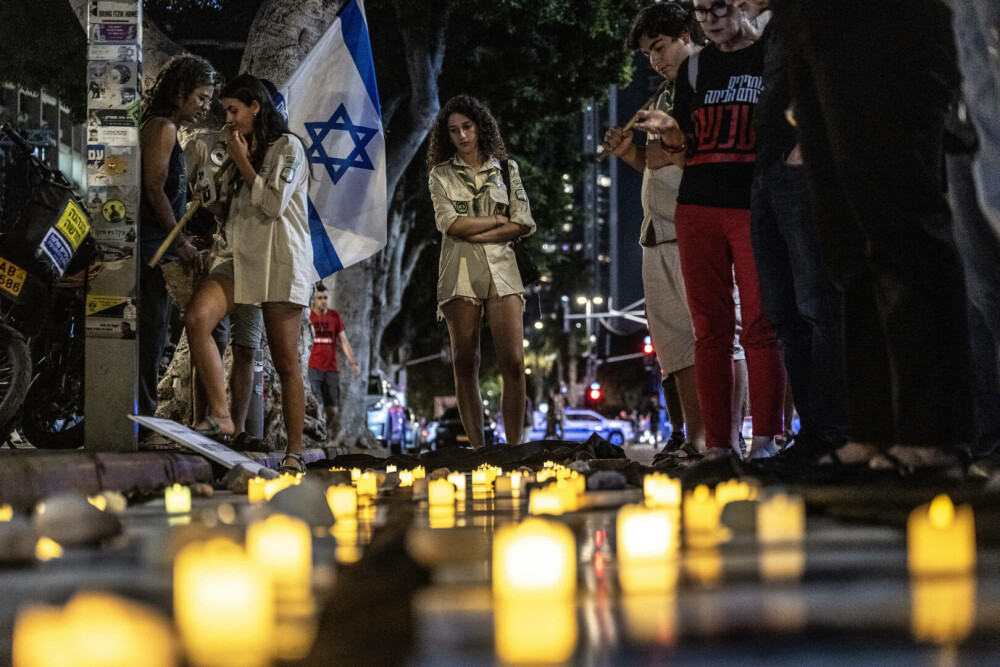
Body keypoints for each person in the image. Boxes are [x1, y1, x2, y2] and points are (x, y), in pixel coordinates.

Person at [773, 0, 974, 463]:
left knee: (898, 222)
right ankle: (874, 426)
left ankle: (930, 431)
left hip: (880, 19)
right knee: (845, 242)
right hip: (809, 26)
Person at [635, 0, 786, 459]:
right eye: (702, 13)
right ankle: (718, 446)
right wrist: (669, 132)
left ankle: (765, 440)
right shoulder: (696, 69)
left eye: (718, 9)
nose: (712, 20)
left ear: (741, 7)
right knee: (710, 332)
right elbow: (686, 148)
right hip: (697, 207)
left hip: (750, 203)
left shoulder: (769, 55)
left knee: (760, 325)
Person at [732, 0, 850, 468]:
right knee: (781, 311)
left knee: (817, 304)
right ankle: (815, 432)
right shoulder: (776, 27)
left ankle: (836, 432)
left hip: (795, 171)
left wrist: (807, 144)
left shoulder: (805, 17)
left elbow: (829, 72)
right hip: (766, 174)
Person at [183, 73, 313, 474]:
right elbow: (233, 212)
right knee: (197, 318)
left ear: (256, 108)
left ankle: (294, 451)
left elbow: (273, 204)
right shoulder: (239, 151)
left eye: (234, 110)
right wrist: (211, 200)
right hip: (237, 259)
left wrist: (241, 160)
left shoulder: (286, 147)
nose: (229, 119)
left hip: (278, 263)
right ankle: (222, 416)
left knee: (285, 362)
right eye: (225, 112)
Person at [603, 2, 705, 455]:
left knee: (717, 335)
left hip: (695, 225)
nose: (656, 60)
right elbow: (651, 161)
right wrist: (629, 152)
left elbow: (696, 146)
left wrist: (667, 145)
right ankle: (693, 436)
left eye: (661, 47)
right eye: (648, 53)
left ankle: (729, 434)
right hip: (656, 231)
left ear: (687, 33)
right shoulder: (663, 94)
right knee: (674, 344)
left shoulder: (706, 77)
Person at [426, 95, 535, 449]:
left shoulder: (506, 169)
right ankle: (478, 449)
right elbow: (450, 225)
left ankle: (514, 447)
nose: (462, 135)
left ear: (480, 127)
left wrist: (478, 230)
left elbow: (523, 222)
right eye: (454, 130)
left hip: (504, 272)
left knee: (514, 363)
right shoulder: (440, 175)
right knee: (464, 361)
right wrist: (494, 221)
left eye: (468, 127)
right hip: (458, 273)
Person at [139, 55, 216, 418]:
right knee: (149, 340)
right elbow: (154, 189)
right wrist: (181, 242)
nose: (206, 106)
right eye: (201, 97)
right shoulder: (162, 128)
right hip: (152, 252)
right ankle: (140, 422)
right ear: (180, 92)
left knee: (156, 339)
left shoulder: (167, 128)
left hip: (162, 248)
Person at [308, 284, 360, 442]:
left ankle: (323, 430)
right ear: (314, 300)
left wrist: (353, 362)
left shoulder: (334, 316)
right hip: (313, 367)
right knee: (316, 405)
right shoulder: (308, 316)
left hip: (331, 368)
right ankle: (316, 437)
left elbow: (343, 341)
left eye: (325, 298)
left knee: (332, 410)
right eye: (320, 298)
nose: (323, 301)